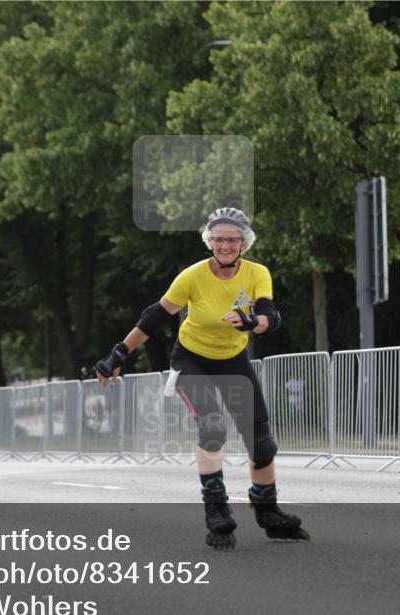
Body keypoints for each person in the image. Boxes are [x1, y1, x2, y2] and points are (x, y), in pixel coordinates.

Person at [94, 207, 308, 549]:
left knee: (262, 443)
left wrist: (254, 323)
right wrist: (118, 354)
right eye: (218, 238)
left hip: (232, 360)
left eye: (232, 238)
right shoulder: (192, 276)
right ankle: (216, 509)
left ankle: (267, 510)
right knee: (212, 427)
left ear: (244, 243)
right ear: (209, 242)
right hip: (191, 360)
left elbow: (270, 315)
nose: (225, 244)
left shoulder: (257, 274)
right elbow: (154, 317)